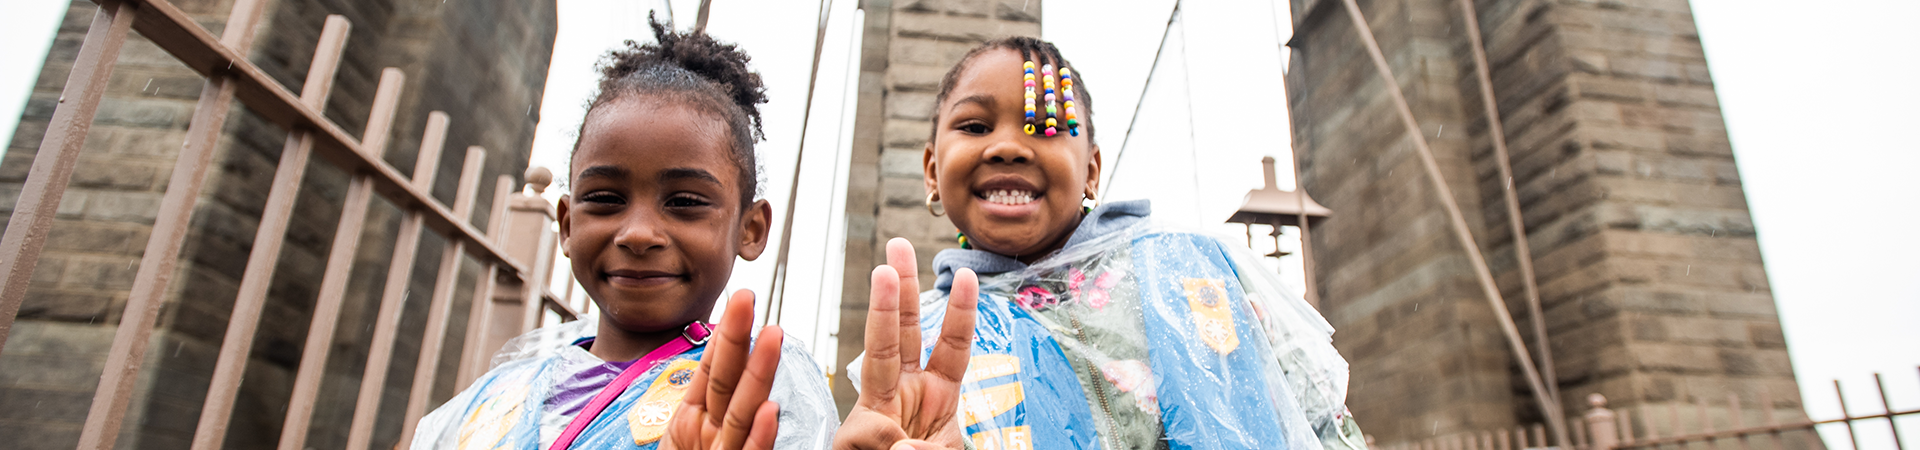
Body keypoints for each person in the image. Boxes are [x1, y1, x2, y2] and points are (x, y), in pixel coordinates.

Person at [834, 37, 1367, 450]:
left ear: (1091, 172)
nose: (1005, 147)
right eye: (974, 126)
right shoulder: (915, 356)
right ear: (932, 170)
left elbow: (1324, 422)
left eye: (1044, 127)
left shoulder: (1198, 273)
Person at [411, 17, 837, 450]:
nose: (638, 233)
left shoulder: (764, 387)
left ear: (751, 229)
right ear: (567, 224)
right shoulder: (490, 404)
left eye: (685, 202)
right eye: (605, 198)